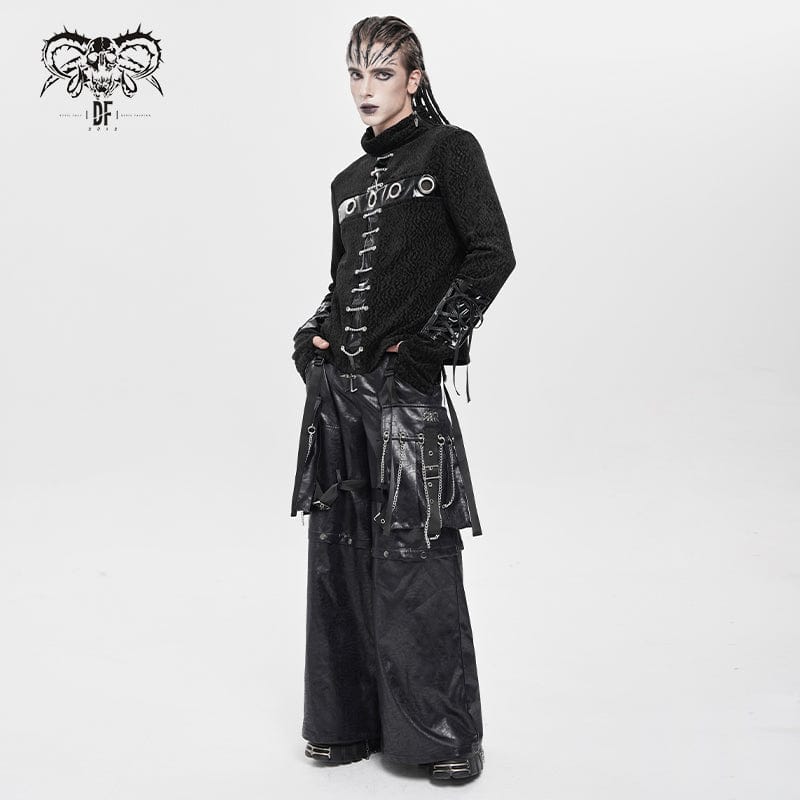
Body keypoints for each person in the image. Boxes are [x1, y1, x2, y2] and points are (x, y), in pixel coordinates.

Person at [289, 15, 515, 782]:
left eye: (382, 73)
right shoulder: (346, 185)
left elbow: (492, 253)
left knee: (417, 559)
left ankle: (443, 737)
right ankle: (345, 723)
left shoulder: (450, 150)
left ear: (413, 80)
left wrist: (428, 347)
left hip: (404, 394)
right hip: (338, 395)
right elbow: (341, 282)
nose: (366, 88)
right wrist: (310, 336)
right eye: (356, 74)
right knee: (338, 553)